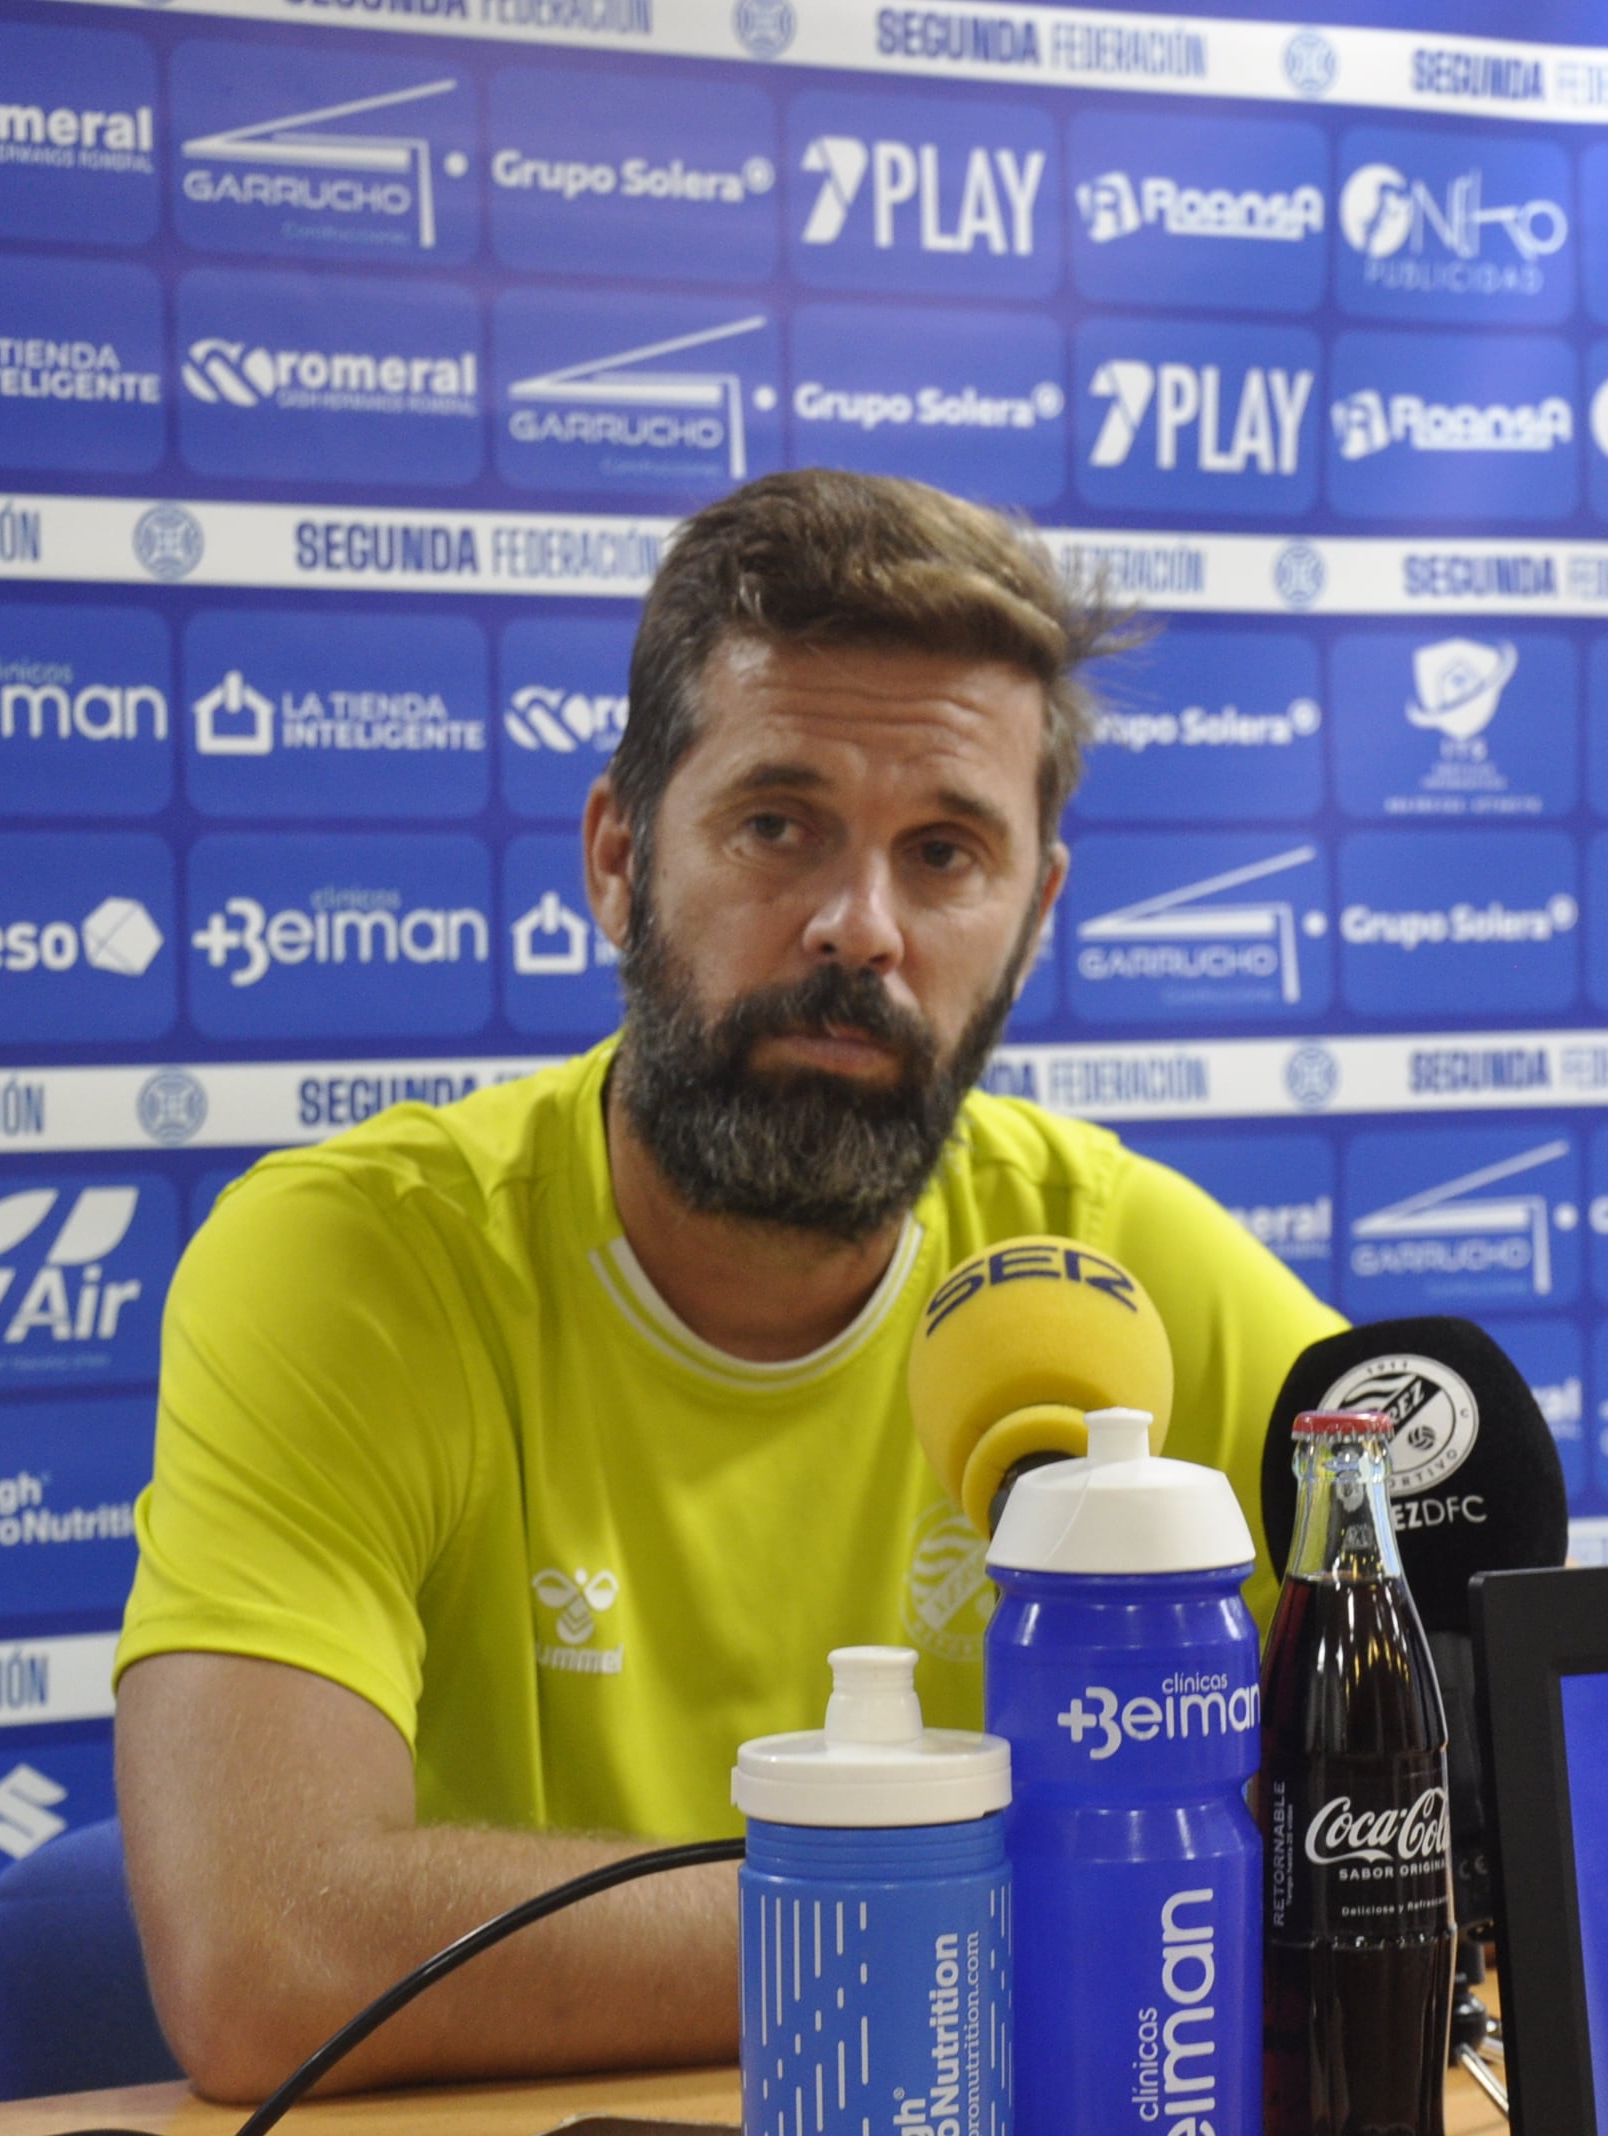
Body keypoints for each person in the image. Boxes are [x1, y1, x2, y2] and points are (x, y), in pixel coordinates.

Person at [112, 469, 1341, 2098]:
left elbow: (1454, 1753)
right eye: (779, 826)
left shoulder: (1119, 1265)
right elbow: (269, 1953)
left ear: (1033, 918)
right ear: (619, 854)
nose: (860, 928)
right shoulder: (356, 1265)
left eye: (946, 853)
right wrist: (1018, 1914)